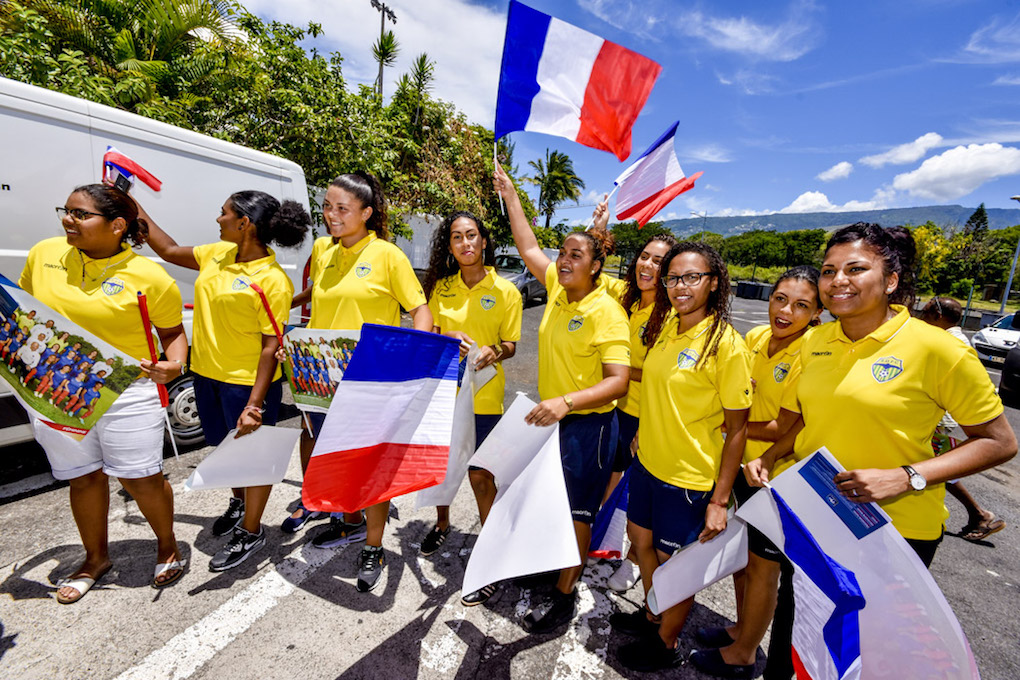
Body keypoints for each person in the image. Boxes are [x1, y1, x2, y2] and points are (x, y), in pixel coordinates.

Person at [746, 224, 1017, 675]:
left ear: (891, 280)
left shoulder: (937, 349)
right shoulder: (814, 340)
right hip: (816, 516)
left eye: (856, 269)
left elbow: (998, 442)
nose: (837, 281)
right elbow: (807, 420)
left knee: (867, 657)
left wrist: (906, 476)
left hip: (893, 530)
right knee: (797, 634)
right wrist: (770, 456)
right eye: (829, 271)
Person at [20, 183, 188, 603]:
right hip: (56, 389)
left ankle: (167, 546)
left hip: (127, 391)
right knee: (83, 478)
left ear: (117, 226)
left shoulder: (149, 275)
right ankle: (95, 558)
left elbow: (172, 333)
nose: (67, 220)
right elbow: (23, 309)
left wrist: (175, 364)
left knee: (141, 478)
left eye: (80, 214)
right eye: (67, 210)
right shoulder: (44, 254)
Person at [141, 189, 310, 572]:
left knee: (254, 461)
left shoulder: (271, 280)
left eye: (223, 213)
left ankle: (252, 531)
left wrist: (254, 404)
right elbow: (167, 249)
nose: (217, 220)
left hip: (245, 385)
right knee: (228, 453)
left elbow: (271, 347)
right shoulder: (216, 255)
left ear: (243, 223)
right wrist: (133, 205)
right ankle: (239, 504)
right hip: (206, 375)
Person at [494, 162, 630, 632]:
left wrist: (567, 402)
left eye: (577, 254)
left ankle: (565, 591)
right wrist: (511, 195)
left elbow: (619, 381)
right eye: (564, 253)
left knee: (576, 512)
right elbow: (528, 244)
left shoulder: (606, 311)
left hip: (588, 426)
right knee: (547, 499)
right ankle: (544, 565)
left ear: (596, 266)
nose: (565, 260)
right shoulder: (556, 288)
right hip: (551, 418)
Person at [282, 171, 432, 594]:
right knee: (333, 458)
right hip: (321, 379)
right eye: (327, 207)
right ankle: (347, 522)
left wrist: (413, 348)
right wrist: (294, 347)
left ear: (366, 213)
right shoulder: (322, 250)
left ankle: (373, 544)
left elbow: (419, 308)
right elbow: (317, 309)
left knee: (370, 465)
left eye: (342, 208)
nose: (331, 215)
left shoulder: (388, 255)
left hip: (370, 380)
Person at [609, 241, 752, 671]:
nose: (680, 286)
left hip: (688, 479)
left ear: (714, 282)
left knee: (677, 565)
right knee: (640, 541)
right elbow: (657, 390)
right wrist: (644, 435)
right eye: (674, 277)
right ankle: (655, 612)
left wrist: (720, 501)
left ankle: (665, 643)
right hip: (650, 463)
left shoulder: (726, 345)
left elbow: (738, 428)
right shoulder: (669, 325)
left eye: (692, 277)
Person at [690, 266, 822, 679]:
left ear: (817, 313)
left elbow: (783, 426)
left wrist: (725, 425)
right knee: (747, 562)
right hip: (743, 469)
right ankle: (741, 628)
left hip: (775, 476)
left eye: (802, 305)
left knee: (765, 568)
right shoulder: (756, 339)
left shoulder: (809, 354)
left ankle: (744, 653)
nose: (786, 311)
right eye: (780, 299)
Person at [418, 210, 523, 606]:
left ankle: (491, 548)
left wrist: (493, 352)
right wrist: (448, 337)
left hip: (485, 396)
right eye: (457, 237)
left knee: (481, 475)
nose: (465, 243)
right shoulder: (440, 288)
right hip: (444, 392)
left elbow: (511, 344)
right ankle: (442, 523)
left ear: (483, 242)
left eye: (472, 236)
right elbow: (427, 332)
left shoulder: (507, 291)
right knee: (443, 466)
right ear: (450, 246)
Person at [591, 200, 677, 593]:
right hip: (614, 411)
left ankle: (630, 562)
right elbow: (589, 267)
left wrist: (623, 373)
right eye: (644, 256)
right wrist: (599, 229)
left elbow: (669, 375)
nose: (648, 266)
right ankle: (605, 548)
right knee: (610, 484)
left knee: (637, 496)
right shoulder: (623, 295)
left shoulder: (675, 315)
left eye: (659, 262)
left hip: (649, 418)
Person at [919, 296, 1007, 542]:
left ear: (937, 315)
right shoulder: (953, 337)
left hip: (937, 416)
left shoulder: (949, 341)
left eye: (925, 312)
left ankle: (980, 515)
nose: (921, 317)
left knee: (932, 466)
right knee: (933, 464)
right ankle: (978, 514)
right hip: (938, 415)